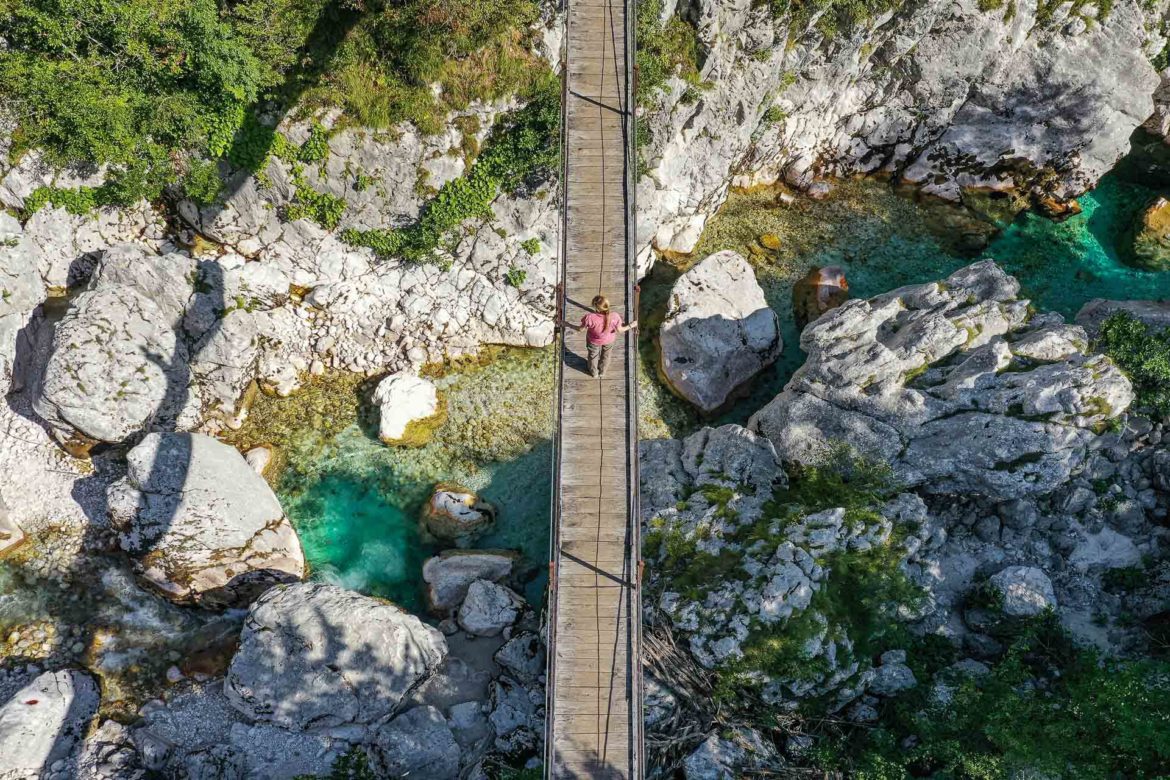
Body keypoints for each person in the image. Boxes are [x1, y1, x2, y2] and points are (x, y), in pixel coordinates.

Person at [561, 294, 637, 378]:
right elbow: (620, 330)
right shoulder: (615, 316)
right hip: (609, 340)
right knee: (606, 355)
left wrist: (567, 324)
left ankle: (594, 373)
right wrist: (631, 325)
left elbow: (580, 329)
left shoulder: (589, 318)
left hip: (593, 341)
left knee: (593, 356)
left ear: (596, 308)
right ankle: (602, 372)